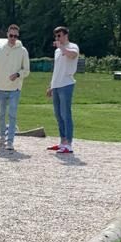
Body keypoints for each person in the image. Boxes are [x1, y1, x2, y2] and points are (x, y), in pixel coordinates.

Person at [0, 24, 30, 151]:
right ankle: (2, 137)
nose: (13, 38)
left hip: (15, 89)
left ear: (18, 36)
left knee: (12, 114)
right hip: (1, 87)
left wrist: (18, 74)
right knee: (1, 114)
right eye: (11, 35)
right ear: (7, 34)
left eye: (15, 36)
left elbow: (27, 70)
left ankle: (10, 141)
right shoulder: (0, 50)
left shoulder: (23, 51)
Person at [46, 25, 80, 155]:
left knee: (66, 114)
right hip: (57, 84)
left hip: (67, 84)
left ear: (65, 35)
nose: (57, 38)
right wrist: (51, 86)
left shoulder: (72, 46)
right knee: (58, 114)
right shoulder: (57, 52)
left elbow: (73, 55)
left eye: (59, 35)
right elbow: (56, 70)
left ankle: (69, 144)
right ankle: (62, 141)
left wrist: (61, 47)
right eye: (56, 36)